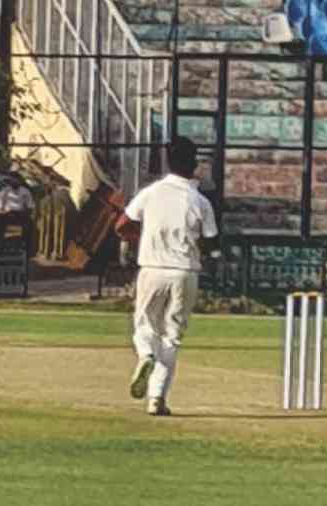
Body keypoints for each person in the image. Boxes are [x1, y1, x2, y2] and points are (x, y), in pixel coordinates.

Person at [114, 136, 220, 416]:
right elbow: (211, 241)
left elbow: (121, 225)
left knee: (145, 326)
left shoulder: (151, 193)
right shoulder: (199, 200)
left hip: (151, 268)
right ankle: (156, 399)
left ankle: (145, 355)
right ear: (194, 164)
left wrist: (144, 237)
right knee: (171, 337)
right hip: (184, 272)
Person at [0, 173, 34, 240]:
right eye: (12, 180)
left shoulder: (25, 191)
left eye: (16, 180)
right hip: (6, 214)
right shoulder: (5, 191)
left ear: (20, 181)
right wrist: (2, 211)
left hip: (20, 214)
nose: (14, 181)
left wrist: (25, 212)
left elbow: (30, 206)